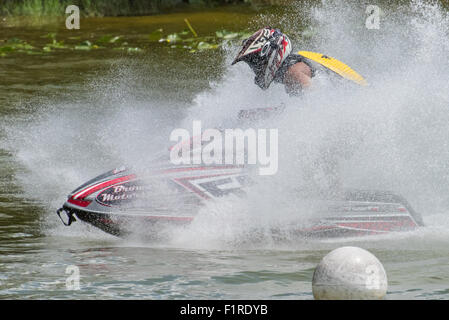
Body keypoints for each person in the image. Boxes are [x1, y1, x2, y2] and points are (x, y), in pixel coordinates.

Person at [232, 27, 316, 96]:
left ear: (269, 53)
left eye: (256, 62)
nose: (255, 68)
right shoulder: (286, 69)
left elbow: (314, 99)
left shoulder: (293, 71)